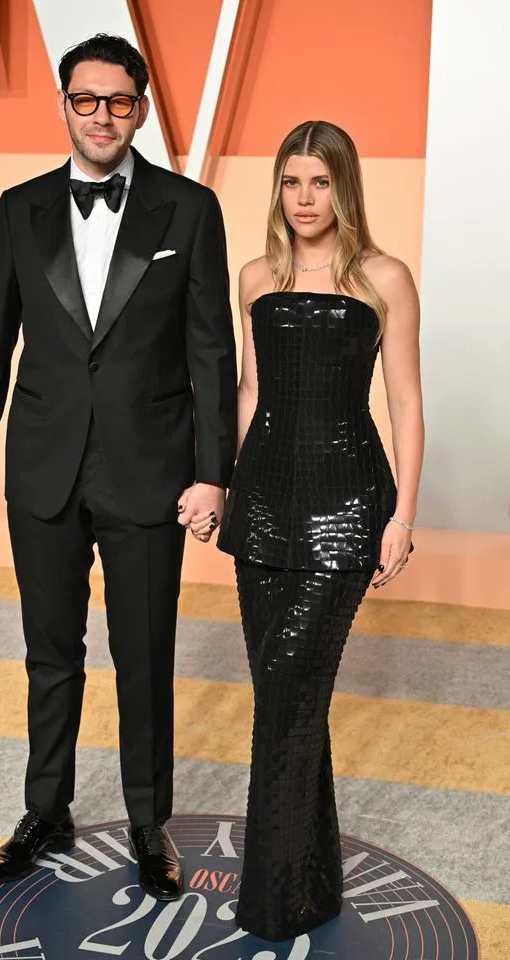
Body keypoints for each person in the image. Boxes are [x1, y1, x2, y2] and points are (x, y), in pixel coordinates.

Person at [0, 34, 237, 900]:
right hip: (42, 463)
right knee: (51, 654)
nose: (103, 114)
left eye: (119, 100)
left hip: (150, 471)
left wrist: (213, 473)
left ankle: (150, 825)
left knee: (145, 655)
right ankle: (47, 812)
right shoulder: (20, 207)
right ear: (65, 105)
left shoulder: (188, 211)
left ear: (141, 109)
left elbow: (210, 352)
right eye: (87, 99)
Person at [210, 120, 424, 940]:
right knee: (285, 696)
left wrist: (402, 513)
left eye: (320, 183)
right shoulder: (255, 275)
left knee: (289, 698)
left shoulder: (384, 277)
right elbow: (249, 389)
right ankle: (316, 883)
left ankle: (271, 904)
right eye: (292, 182)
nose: (305, 199)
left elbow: (405, 401)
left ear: (345, 188)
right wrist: (222, 486)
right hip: (261, 504)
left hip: (346, 509)